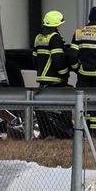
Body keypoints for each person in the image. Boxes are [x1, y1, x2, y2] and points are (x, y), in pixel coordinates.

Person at [32, 10, 77, 138]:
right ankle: (62, 133)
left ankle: (48, 133)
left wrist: (40, 72)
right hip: (54, 79)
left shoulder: (38, 37)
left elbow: (34, 58)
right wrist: (64, 74)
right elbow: (58, 59)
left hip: (42, 79)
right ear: (57, 25)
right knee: (60, 108)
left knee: (44, 109)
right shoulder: (55, 38)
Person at [70, 6, 96, 135]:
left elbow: (72, 55)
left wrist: (78, 69)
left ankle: (82, 130)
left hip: (83, 75)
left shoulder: (78, 32)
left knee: (83, 104)